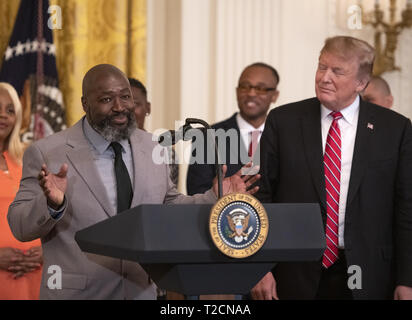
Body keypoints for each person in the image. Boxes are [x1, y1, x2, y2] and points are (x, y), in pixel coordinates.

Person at [7, 64, 260, 300]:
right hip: (79, 294)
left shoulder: (154, 146)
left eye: (125, 96)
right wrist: (51, 205)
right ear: (85, 103)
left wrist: (213, 197)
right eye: (107, 99)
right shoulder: (48, 152)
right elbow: (20, 225)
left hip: (141, 291)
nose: (119, 107)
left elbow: (166, 206)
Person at [251, 36, 412, 300]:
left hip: (370, 274)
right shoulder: (284, 121)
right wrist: (260, 268)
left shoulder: (395, 129)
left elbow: (407, 207)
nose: (324, 77)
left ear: (361, 83)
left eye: (337, 71)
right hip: (294, 274)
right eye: (321, 67)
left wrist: (407, 279)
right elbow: (262, 196)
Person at [186, 62, 279, 195]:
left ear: (275, 95)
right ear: (237, 91)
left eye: (260, 88)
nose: (251, 93)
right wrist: (216, 195)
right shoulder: (207, 136)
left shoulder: (285, 137)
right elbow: (196, 192)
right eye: (245, 86)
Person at [0, 82, 42, 299]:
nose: (3, 116)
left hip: (36, 277)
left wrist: (47, 250)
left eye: (9, 110)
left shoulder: (28, 160)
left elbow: (50, 214)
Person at [129, 77, 178, 187]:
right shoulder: (107, 150)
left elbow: (169, 199)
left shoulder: (165, 152)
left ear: (148, 108)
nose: (129, 110)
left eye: (135, 104)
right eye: (125, 104)